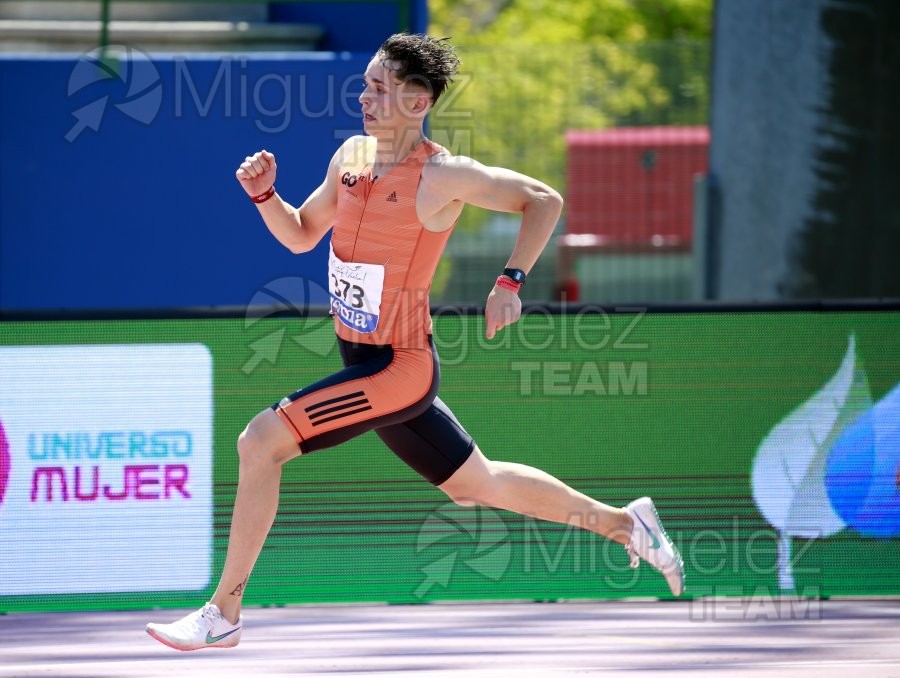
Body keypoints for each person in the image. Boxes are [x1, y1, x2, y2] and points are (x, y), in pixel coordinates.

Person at [146, 33, 684, 652]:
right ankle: (625, 523)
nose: (365, 96)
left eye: (380, 87)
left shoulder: (442, 173)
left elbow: (543, 199)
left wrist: (509, 282)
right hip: (365, 360)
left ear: (418, 100)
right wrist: (265, 196)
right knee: (477, 483)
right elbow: (299, 235)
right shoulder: (349, 156)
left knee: (261, 441)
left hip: (398, 369)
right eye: (366, 83)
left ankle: (223, 612)